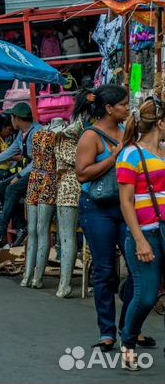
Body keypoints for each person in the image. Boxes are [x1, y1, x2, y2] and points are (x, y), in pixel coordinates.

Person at [74, 84, 150, 352]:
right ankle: (107, 332)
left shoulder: (126, 133)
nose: (127, 108)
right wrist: (114, 156)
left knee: (136, 269)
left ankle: (130, 328)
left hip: (124, 207)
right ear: (108, 108)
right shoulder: (90, 137)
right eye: (122, 104)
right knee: (105, 271)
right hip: (97, 209)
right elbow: (82, 174)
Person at [116, 98, 165, 370]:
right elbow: (126, 202)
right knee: (146, 295)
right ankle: (129, 340)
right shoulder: (130, 155)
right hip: (146, 233)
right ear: (160, 123)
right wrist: (139, 239)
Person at [0, 103, 42, 246]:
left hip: (40, 173)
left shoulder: (37, 132)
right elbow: (8, 153)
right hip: (29, 172)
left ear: (17, 119)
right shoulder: (21, 134)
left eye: (12, 117)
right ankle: (21, 225)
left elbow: (38, 161)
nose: (11, 121)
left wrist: (19, 177)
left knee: (11, 189)